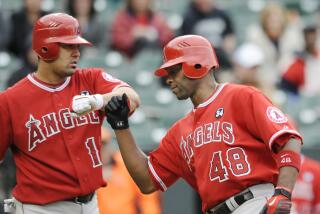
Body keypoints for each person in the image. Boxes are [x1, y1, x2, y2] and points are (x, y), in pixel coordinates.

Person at [104, 35, 303, 214]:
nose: (169, 80)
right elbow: (147, 182)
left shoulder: (241, 96)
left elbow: (289, 139)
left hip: (256, 202)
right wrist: (121, 127)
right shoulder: (179, 131)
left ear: (197, 64)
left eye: (174, 71)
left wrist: (283, 193)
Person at [0, 13, 140, 214]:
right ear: (45, 47)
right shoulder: (10, 101)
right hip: (40, 209)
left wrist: (98, 100)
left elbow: (132, 97)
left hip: (91, 205)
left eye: (78, 47)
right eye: (68, 46)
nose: (76, 53)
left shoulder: (91, 80)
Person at [97, 127, 162, 214]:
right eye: (97, 146)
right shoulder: (86, 171)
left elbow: (148, 199)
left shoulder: (125, 164)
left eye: (103, 144)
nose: (101, 149)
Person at [181, 0, 236, 69]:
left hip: (220, 55)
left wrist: (228, 51)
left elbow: (229, 35)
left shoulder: (222, 14)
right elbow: (187, 44)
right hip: (201, 58)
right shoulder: (189, 17)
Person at [280, 25, 320, 97]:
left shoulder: (317, 56)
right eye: (308, 35)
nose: (311, 39)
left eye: (313, 35)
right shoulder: (296, 59)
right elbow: (286, 82)